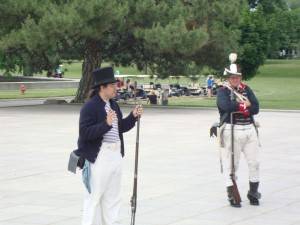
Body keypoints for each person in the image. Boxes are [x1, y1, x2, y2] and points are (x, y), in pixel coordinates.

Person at [76, 67, 143, 225]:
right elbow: (85, 133)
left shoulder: (113, 105)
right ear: (102, 87)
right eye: (112, 85)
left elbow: (120, 128)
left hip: (115, 155)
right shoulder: (90, 107)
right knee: (94, 198)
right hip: (99, 157)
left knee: (113, 198)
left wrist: (132, 117)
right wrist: (105, 124)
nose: (116, 88)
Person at [217, 53, 261, 208]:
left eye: (238, 77)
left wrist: (245, 108)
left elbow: (256, 107)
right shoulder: (223, 91)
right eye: (233, 77)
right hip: (232, 130)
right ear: (228, 78)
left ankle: (253, 192)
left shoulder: (246, 89)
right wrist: (244, 106)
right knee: (232, 165)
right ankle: (232, 194)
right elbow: (226, 107)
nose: (236, 79)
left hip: (249, 129)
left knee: (254, 163)